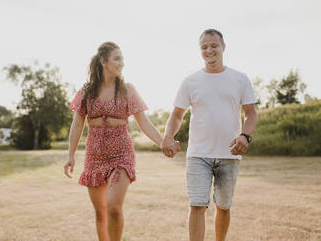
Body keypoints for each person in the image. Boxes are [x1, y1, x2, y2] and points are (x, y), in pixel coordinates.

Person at [64, 42, 179, 241]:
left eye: (122, 59)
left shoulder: (127, 90)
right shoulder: (87, 91)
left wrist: (163, 143)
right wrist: (70, 155)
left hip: (121, 155)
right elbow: (77, 125)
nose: (121, 63)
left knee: (113, 207)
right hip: (95, 156)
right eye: (117, 58)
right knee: (100, 213)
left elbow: (144, 122)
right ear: (103, 61)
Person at [161, 29, 258, 241]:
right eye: (204, 47)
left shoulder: (239, 79)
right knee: (197, 204)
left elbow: (251, 115)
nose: (209, 50)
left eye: (213, 45)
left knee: (223, 206)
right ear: (200, 51)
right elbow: (177, 115)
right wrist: (168, 135)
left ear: (223, 47)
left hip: (229, 154)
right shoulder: (190, 81)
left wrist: (245, 136)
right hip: (198, 154)